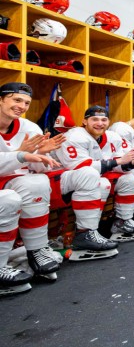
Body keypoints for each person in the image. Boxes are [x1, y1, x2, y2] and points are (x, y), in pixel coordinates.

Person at [0, 82, 66, 282]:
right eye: (16, 99)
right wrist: (20, 154)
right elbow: (21, 159)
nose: (22, 106)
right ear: (1, 99)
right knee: (9, 198)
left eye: (27, 102)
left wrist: (42, 154)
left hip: (11, 182)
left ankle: (37, 250)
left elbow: (36, 166)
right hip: (6, 186)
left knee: (36, 182)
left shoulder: (29, 127)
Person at [55, 105, 134, 245]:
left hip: (91, 175)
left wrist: (131, 163)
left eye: (104, 119)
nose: (100, 123)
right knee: (100, 182)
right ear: (85, 121)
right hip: (61, 177)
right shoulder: (74, 136)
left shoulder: (112, 137)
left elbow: (118, 163)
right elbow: (79, 167)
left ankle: (122, 222)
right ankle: (86, 232)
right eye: (95, 119)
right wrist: (118, 161)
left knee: (129, 178)